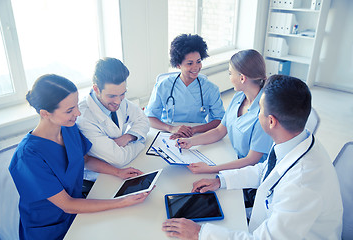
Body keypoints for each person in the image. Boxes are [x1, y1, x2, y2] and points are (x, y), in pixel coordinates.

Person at [162, 75, 343, 239]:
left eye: (260, 109)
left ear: (271, 121)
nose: (257, 114)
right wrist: (221, 181)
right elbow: (267, 170)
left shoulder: (302, 185)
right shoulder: (294, 137)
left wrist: (200, 233)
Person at [9, 74, 151, 240]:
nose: (77, 113)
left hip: (79, 213)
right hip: (50, 229)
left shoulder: (68, 128)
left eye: (76, 106)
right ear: (45, 113)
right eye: (69, 110)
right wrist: (122, 202)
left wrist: (117, 172)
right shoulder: (27, 157)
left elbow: (85, 159)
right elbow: (67, 205)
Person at [177, 49, 273, 174]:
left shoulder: (264, 113)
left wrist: (211, 169)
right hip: (232, 157)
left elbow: (251, 160)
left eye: (230, 73)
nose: (229, 77)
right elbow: (219, 131)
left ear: (242, 78)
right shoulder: (238, 97)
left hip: (252, 172)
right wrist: (191, 142)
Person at [77, 57, 150, 181]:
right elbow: (119, 159)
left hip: (125, 167)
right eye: (112, 96)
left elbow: (143, 119)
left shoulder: (118, 99)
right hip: (101, 177)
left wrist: (129, 137)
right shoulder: (84, 118)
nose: (118, 101)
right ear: (96, 89)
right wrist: (141, 141)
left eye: (122, 94)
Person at [144, 34, 225, 139]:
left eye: (198, 61)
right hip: (168, 133)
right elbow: (150, 117)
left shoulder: (210, 89)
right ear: (178, 65)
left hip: (198, 134)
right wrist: (171, 129)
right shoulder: (163, 86)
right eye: (190, 63)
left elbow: (219, 120)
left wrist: (193, 130)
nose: (196, 67)